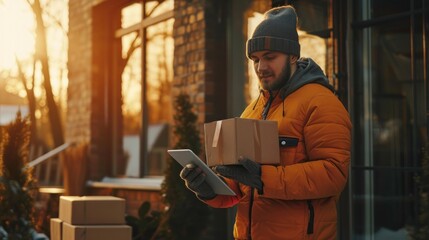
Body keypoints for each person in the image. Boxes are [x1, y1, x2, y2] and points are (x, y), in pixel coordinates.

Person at [180, 5, 352, 240]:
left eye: (270, 57)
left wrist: (264, 178)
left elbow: (334, 174)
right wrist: (209, 188)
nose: (261, 67)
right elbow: (239, 189)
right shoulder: (253, 109)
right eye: (255, 59)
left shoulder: (321, 102)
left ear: (293, 56)